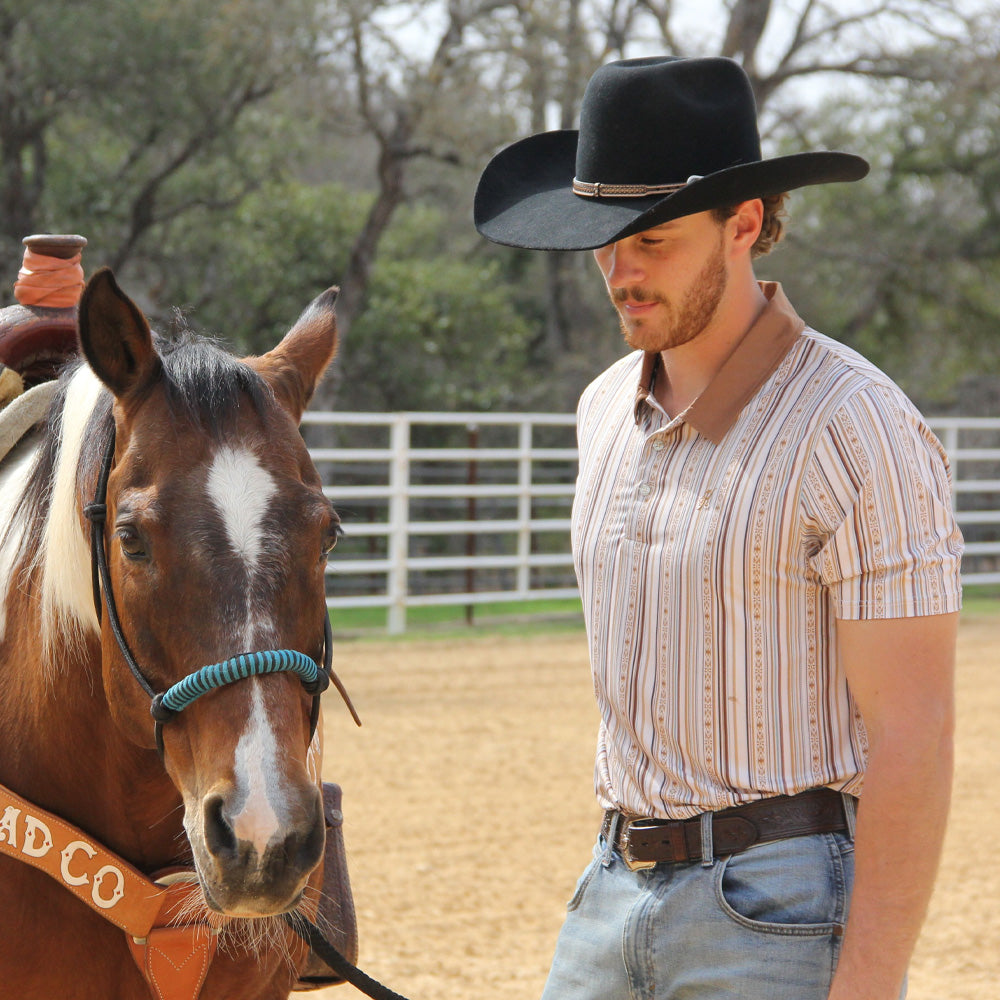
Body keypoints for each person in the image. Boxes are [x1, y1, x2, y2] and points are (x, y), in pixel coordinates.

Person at [474, 56, 963, 1000]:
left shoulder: (853, 424)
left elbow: (914, 733)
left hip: (777, 909)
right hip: (610, 887)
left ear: (745, 225)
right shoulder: (602, 409)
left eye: (651, 240)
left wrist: (869, 982)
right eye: (603, 244)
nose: (620, 273)